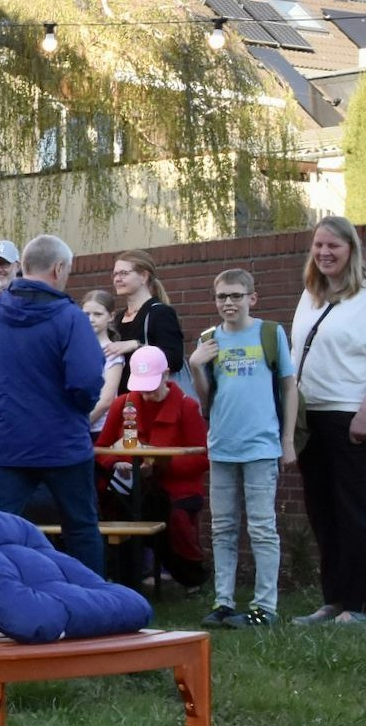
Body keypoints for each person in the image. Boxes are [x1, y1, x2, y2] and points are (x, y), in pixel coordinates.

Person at [0, 235, 107, 575]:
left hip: (6, 444)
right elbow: (87, 382)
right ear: (58, 268)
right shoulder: (70, 318)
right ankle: (96, 611)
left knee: (1, 534)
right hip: (64, 444)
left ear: (23, 266)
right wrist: (78, 411)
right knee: (82, 528)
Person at [189, 269, 295, 629]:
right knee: (222, 528)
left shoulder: (270, 333)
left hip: (261, 446)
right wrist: (195, 365)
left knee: (263, 528)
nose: (229, 303)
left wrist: (288, 440)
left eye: (236, 295)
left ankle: (265, 606)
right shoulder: (208, 339)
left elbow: (288, 388)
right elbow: (207, 401)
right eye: (222, 297)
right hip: (222, 446)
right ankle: (223, 602)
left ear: (252, 298)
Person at [286, 216, 366, 626]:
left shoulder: (364, 298)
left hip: (349, 416)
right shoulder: (310, 295)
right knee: (322, 511)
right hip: (308, 417)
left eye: (334, 246)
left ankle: (359, 604)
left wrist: (364, 414)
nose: (325, 253)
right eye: (318, 245)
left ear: (351, 249)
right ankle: (333, 600)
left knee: (355, 511)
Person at [95, 346, 209, 590]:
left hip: (176, 488)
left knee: (170, 514)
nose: (146, 394)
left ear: (167, 375)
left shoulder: (187, 407)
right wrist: (119, 461)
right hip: (129, 489)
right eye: (141, 386)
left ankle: (190, 576)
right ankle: (122, 580)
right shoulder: (122, 405)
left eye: (151, 386)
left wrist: (158, 463)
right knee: (116, 510)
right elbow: (101, 450)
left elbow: (201, 459)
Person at [108, 249, 185, 395]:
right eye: (115, 274)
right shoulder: (118, 318)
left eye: (124, 273)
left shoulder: (160, 313)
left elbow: (174, 360)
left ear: (143, 276)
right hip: (124, 402)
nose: (117, 279)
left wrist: (136, 345)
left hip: (150, 400)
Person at [80, 289, 127, 432]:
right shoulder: (77, 348)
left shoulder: (112, 351)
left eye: (98, 314)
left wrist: (81, 426)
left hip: (99, 428)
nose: (91, 319)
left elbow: (106, 400)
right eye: (86, 314)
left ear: (111, 316)